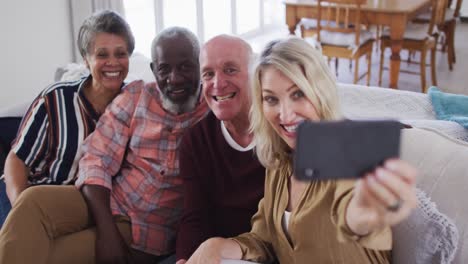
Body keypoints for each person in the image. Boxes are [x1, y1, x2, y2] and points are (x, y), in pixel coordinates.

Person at [186, 37, 419, 264]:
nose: (285, 115)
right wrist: (217, 245)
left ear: (321, 91)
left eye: (298, 94)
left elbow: (356, 217)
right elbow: (265, 238)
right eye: (271, 99)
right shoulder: (280, 164)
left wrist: (359, 218)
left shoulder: (351, 154)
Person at [0, 27, 208, 264]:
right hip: (108, 203)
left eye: (185, 67)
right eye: (164, 69)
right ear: (153, 70)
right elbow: (96, 157)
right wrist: (106, 231)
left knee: (44, 255)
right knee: (32, 201)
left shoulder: (212, 109)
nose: (175, 78)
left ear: (199, 65)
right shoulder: (137, 95)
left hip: (145, 230)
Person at [0, 10, 134, 226]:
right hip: (33, 192)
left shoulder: (136, 105)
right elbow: (16, 160)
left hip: (83, 207)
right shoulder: (54, 99)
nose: (113, 62)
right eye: (102, 55)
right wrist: (22, 209)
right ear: (86, 61)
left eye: (120, 54)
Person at [175, 35, 266, 264]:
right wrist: (184, 259)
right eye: (208, 74)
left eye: (230, 70)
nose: (218, 83)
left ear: (255, 75)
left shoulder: (280, 134)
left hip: (264, 252)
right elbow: (194, 216)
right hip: (215, 255)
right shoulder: (195, 142)